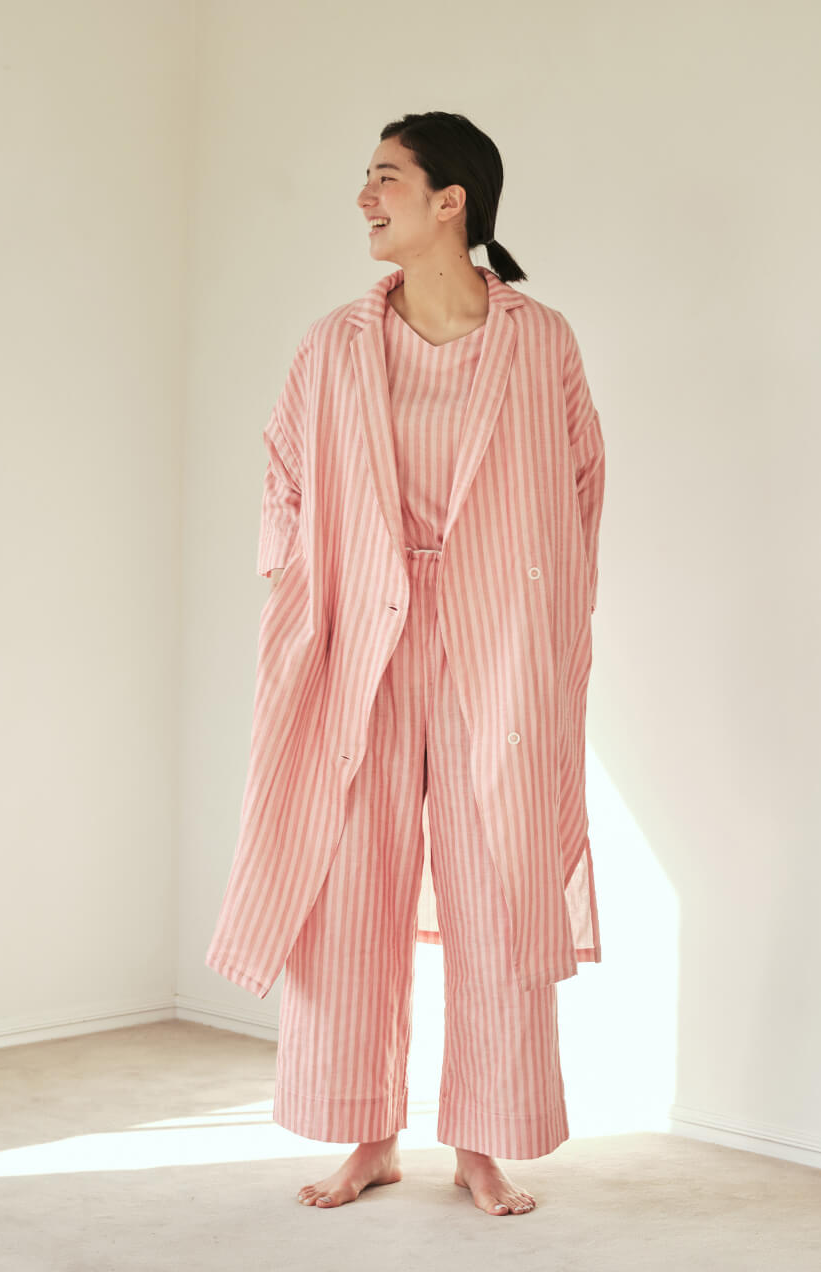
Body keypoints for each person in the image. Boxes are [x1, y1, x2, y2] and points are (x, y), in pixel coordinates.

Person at [203, 111, 606, 1219]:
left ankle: (483, 1141)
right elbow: (285, 470)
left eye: (385, 177)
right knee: (350, 883)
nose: (365, 198)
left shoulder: (539, 341)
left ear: (450, 200)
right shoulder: (335, 344)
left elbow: (582, 480)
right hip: (358, 637)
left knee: (496, 883)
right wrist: (296, 586)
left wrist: (550, 616)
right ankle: (367, 1135)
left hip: (493, 640)